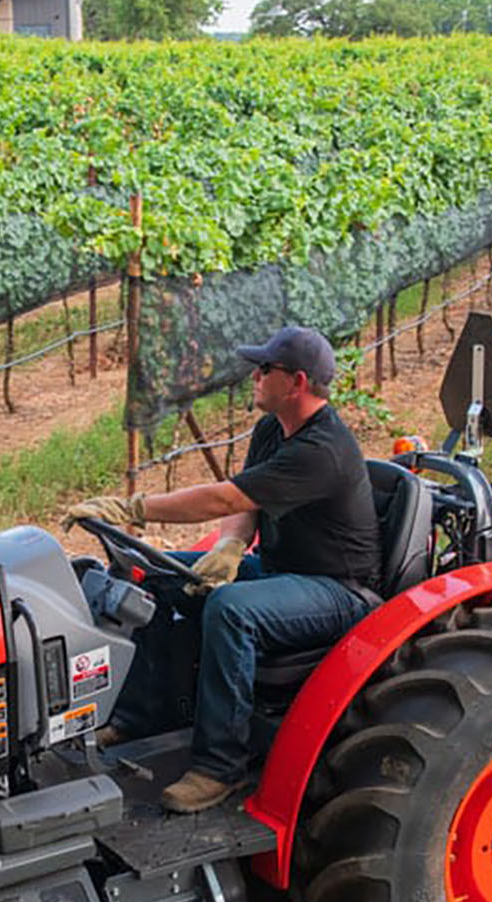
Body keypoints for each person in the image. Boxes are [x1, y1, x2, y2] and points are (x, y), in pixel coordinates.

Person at [63, 325, 381, 814]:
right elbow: (249, 500)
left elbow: (224, 497)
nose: (253, 375)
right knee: (158, 575)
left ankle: (220, 768)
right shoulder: (273, 429)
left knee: (231, 609)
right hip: (280, 572)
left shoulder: (323, 450)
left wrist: (134, 507)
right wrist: (232, 545)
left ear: (296, 381)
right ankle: (143, 714)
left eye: (264, 369)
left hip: (336, 590)